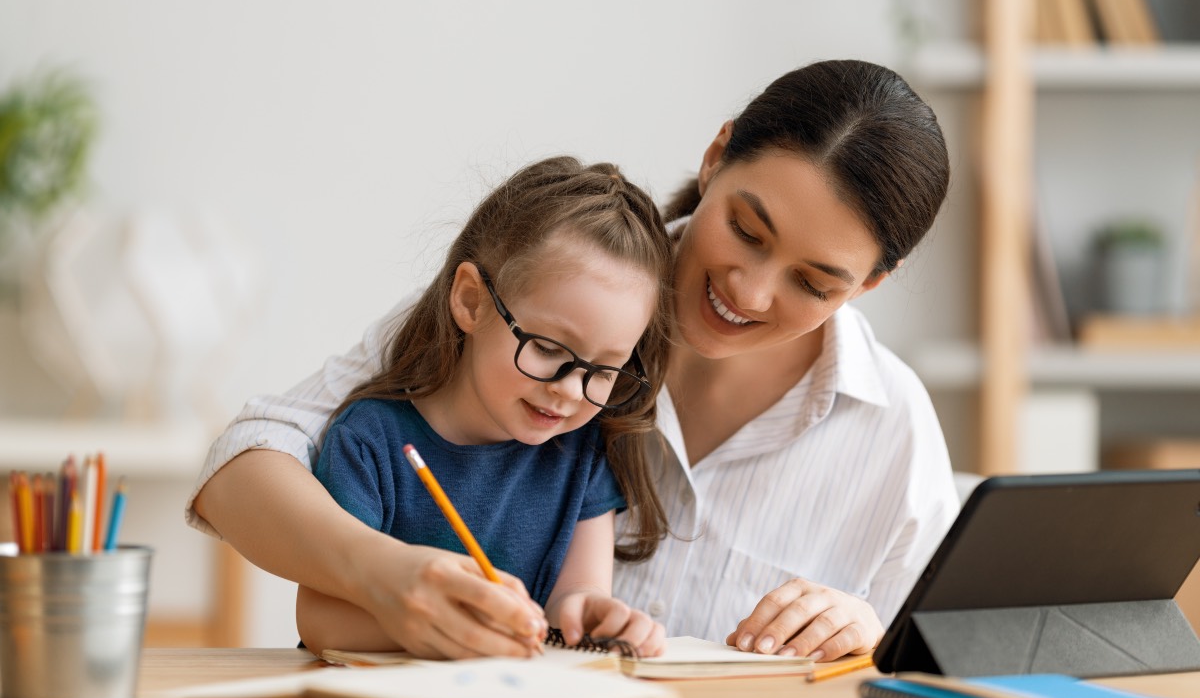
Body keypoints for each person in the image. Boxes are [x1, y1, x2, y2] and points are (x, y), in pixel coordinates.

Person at [188, 58, 959, 662]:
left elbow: (943, 663)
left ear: (869, 285)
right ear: (717, 156)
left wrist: (872, 629)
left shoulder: (893, 429)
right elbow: (246, 459)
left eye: (813, 282)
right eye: (747, 231)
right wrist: (380, 573)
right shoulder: (546, 294)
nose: (750, 292)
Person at [290, 156, 673, 658]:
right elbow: (322, 621)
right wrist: (458, 629)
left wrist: (594, 615)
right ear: (471, 300)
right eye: (550, 349)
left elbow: (574, 599)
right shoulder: (370, 442)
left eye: (603, 371)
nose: (572, 391)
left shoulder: (582, 449)